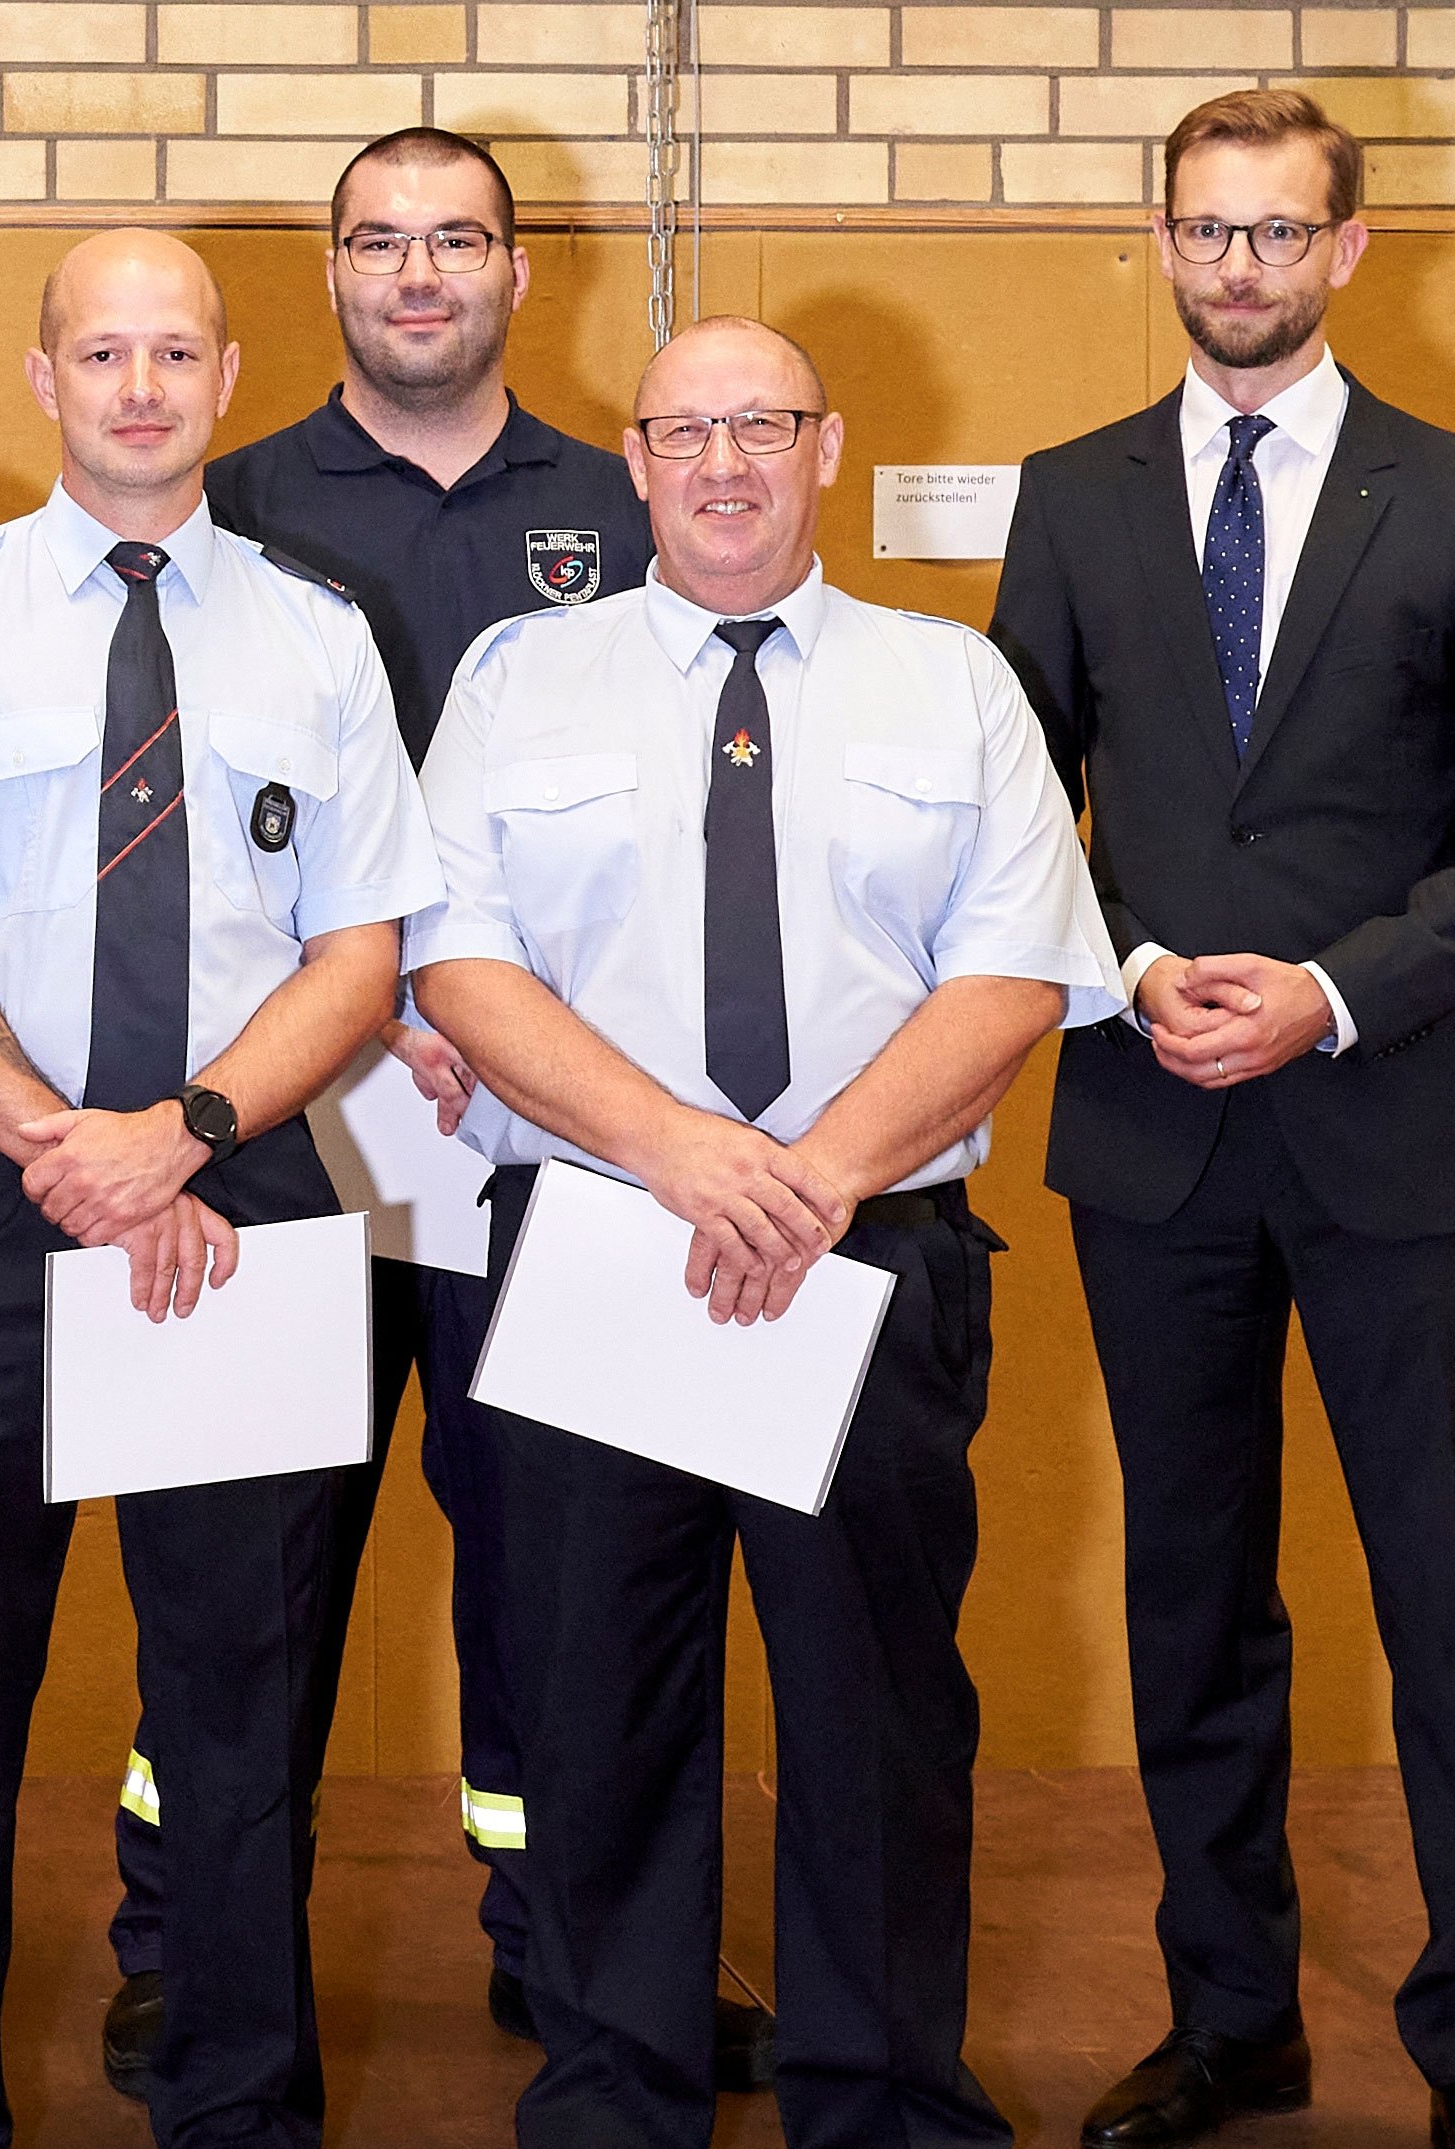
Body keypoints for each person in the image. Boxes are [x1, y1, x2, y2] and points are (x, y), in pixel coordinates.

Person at [407, 315, 1116, 2149]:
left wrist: (807, 1177)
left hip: (865, 1253)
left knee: (878, 1717)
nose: (722, 463)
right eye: (684, 431)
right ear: (631, 463)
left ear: (826, 447)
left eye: (762, 425)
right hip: (599, 1241)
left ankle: (880, 2102)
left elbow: (1012, 967)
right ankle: (610, 2095)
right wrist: (685, 1157)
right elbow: (457, 961)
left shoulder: (953, 683)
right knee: (595, 1709)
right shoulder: (515, 678)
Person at [993, 89, 1455, 2149]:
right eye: (1204, 230)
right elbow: (1013, 818)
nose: (1236, 265)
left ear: (1347, 247)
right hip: (1151, 1122)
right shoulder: (1069, 499)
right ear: (1159, 242)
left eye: (1274, 231)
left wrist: (1333, 991)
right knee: (1193, 1599)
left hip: (1401, 1132)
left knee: (1448, 1599)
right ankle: (1227, 2019)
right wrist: (1138, 966)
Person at [0, 229, 431, 2149]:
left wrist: (183, 1132)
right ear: (41, 377)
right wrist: (63, 1143)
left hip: (238, 1192)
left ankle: (237, 2109)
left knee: (241, 1704)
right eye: (100, 353)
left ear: (226, 377)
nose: (137, 388)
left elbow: (361, 949)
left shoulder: (317, 632)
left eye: (172, 353)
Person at [201, 124, 774, 2097]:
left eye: (456, 240)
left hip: (563, 1140)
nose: (418, 273)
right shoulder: (230, 501)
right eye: (379, 241)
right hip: (283, 1127)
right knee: (243, 1565)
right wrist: (361, 1007)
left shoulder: (626, 496)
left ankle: (583, 1950)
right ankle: (195, 1958)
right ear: (331, 272)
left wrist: (511, 1026)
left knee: (578, 1570)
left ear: (523, 271)